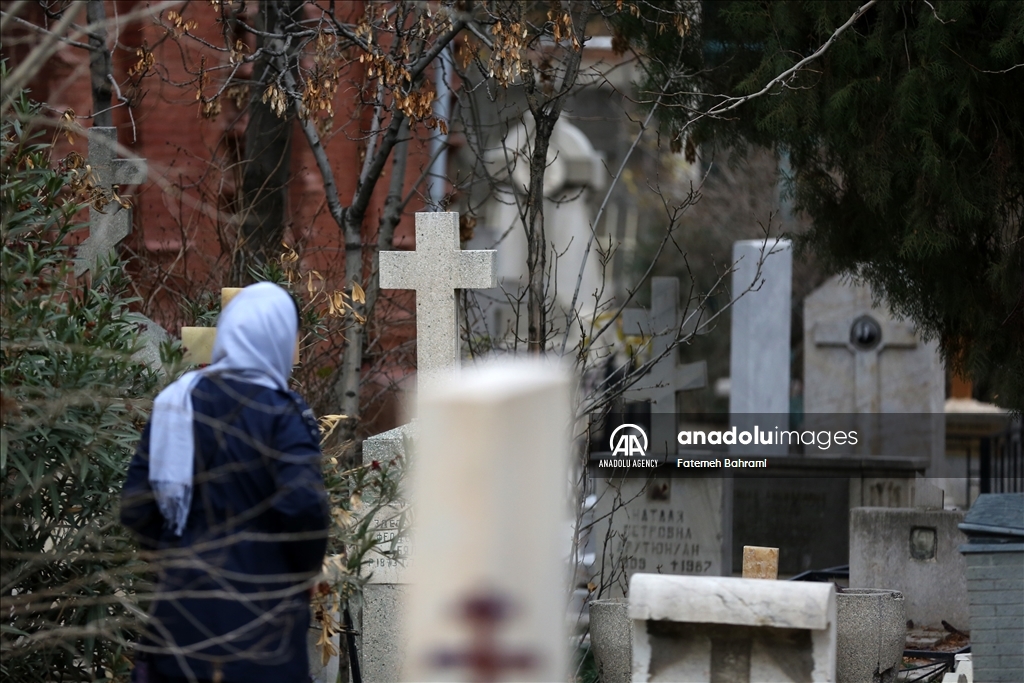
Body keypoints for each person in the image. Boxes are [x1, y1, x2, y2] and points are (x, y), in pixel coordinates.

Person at [121, 282, 330, 683]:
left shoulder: (174, 403)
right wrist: (300, 572)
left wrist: (174, 553)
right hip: (264, 616)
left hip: (182, 610)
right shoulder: (282, 415)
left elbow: (136, 507)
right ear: (279, 338)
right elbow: (303, 508)